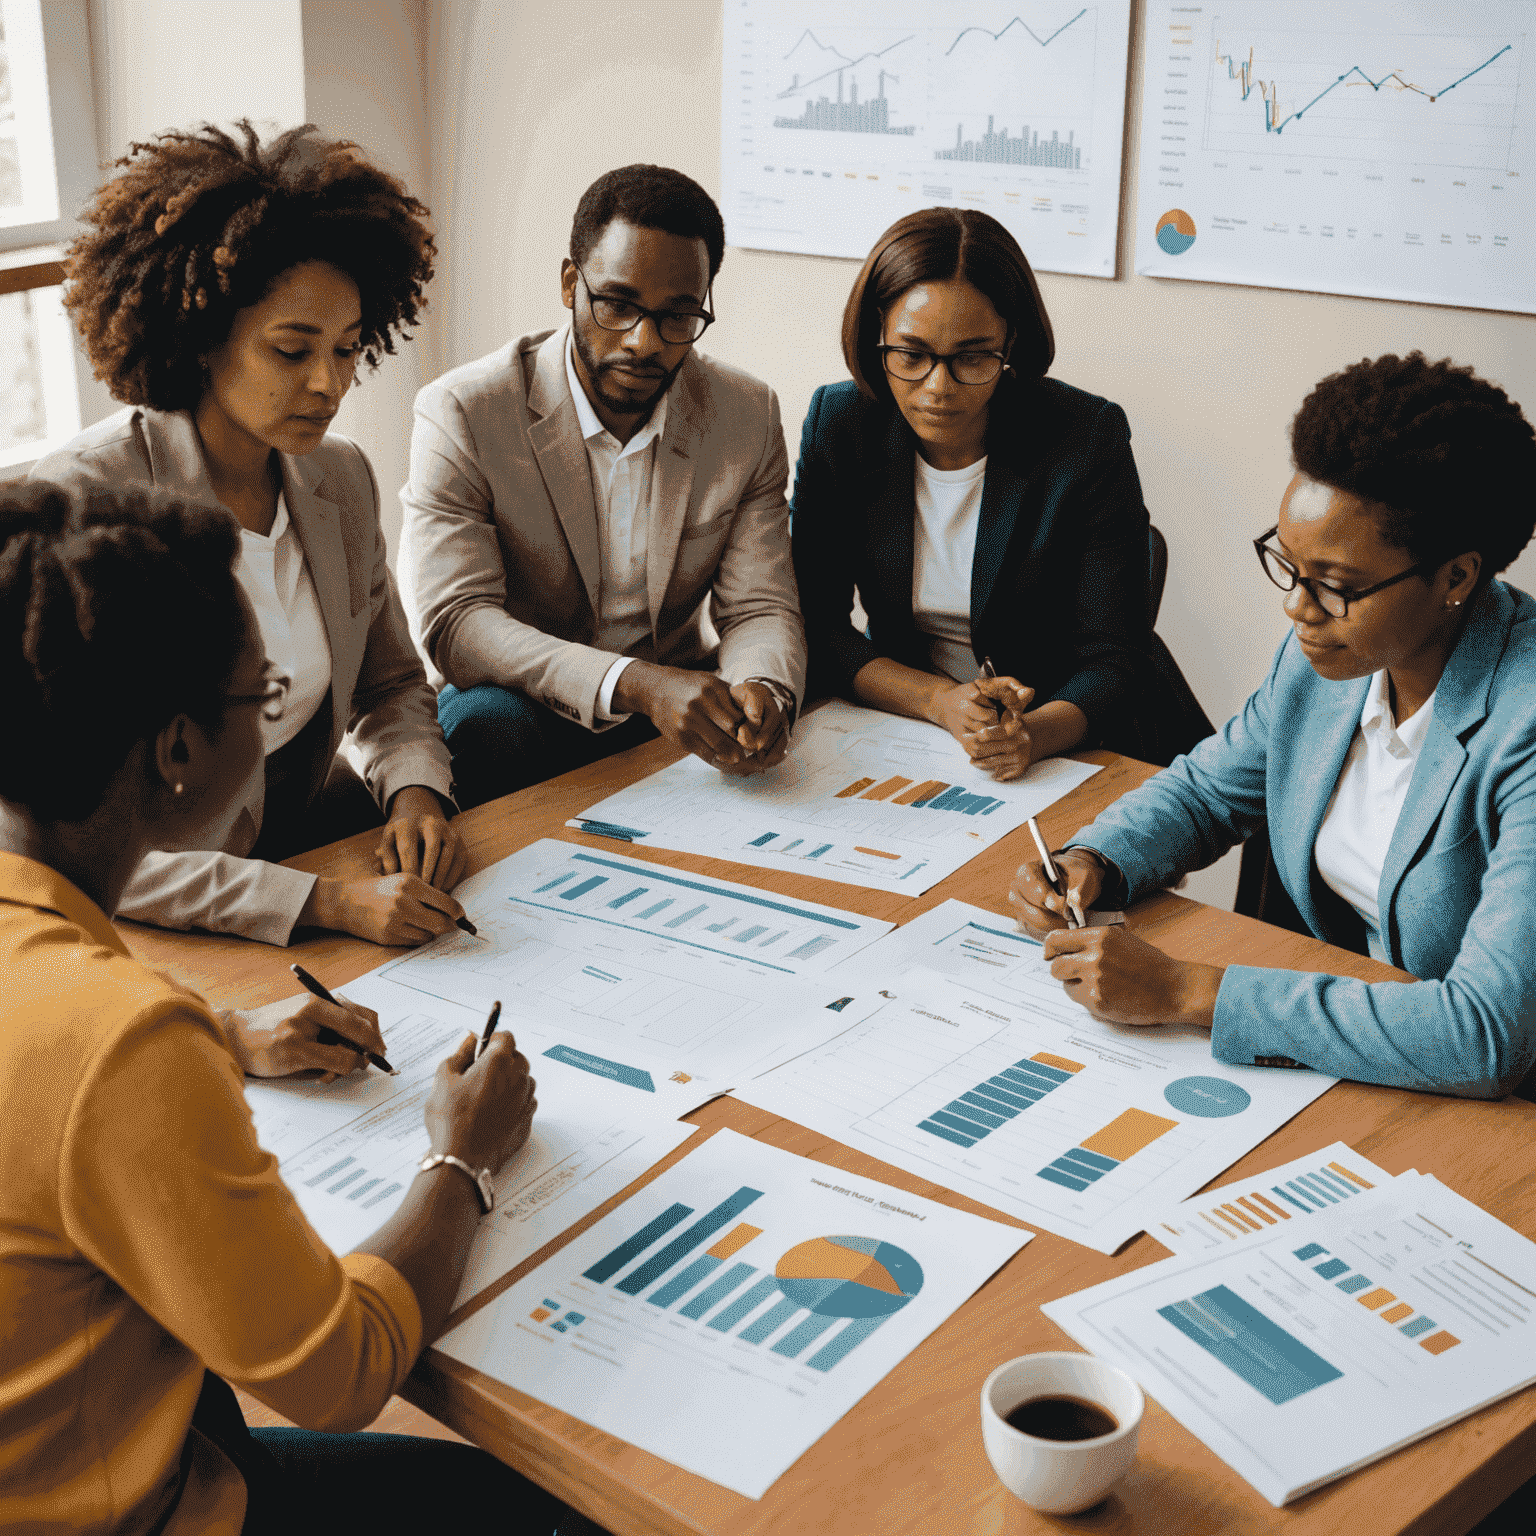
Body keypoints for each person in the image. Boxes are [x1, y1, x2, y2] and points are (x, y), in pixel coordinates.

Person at [0, 479, 591, 1534]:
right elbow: (342, 1372)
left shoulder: (71, 988)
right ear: (178, 751)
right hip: (127, 1508)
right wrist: (461, 1159)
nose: (280, 713)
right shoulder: (122, 1041)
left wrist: (232, 1034)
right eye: (262, 694)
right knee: (562, 1507)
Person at [1009, 353, 1536, 1099]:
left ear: (1455, 577)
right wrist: (1096, 857)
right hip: (1351, 1053)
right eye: (1290, 566)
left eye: (1336, 586)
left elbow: (1484, 1034)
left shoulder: (1526, 723)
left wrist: (1192, 993)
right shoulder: (1333, 659)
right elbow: (1205, 793)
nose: (1297, 608)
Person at [34, 122, 466, 950]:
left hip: (287, 852)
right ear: (201, 336)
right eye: (292, 349)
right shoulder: (86, 504)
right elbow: (68, 831)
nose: (330, 383)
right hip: (129, 917)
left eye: (347, 349)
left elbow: (390, 687)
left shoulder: (339, 479)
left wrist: (415, 792)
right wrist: (321, 903)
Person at [401, 164, 806, 809]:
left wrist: (764, 689)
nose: (644, 342)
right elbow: (457, 623)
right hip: (522, 704)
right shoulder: (466, 410)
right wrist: (635, 683)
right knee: (478, 723)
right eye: (617, 305)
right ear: (571, 285)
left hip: (676, 704)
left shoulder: (745, 413)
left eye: (678, 316)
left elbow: (758, 607)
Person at [790, 207, 1151, 782]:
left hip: (1059, 740)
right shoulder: (842, 424)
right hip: (901, 727)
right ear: (874, 334)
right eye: (910, 356)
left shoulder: (1085, 436)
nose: (937, 387)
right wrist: (940, 702)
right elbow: (813, 622)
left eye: (973, 357)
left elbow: (1115, 657)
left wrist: (1030, 734)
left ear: (1013, 343)